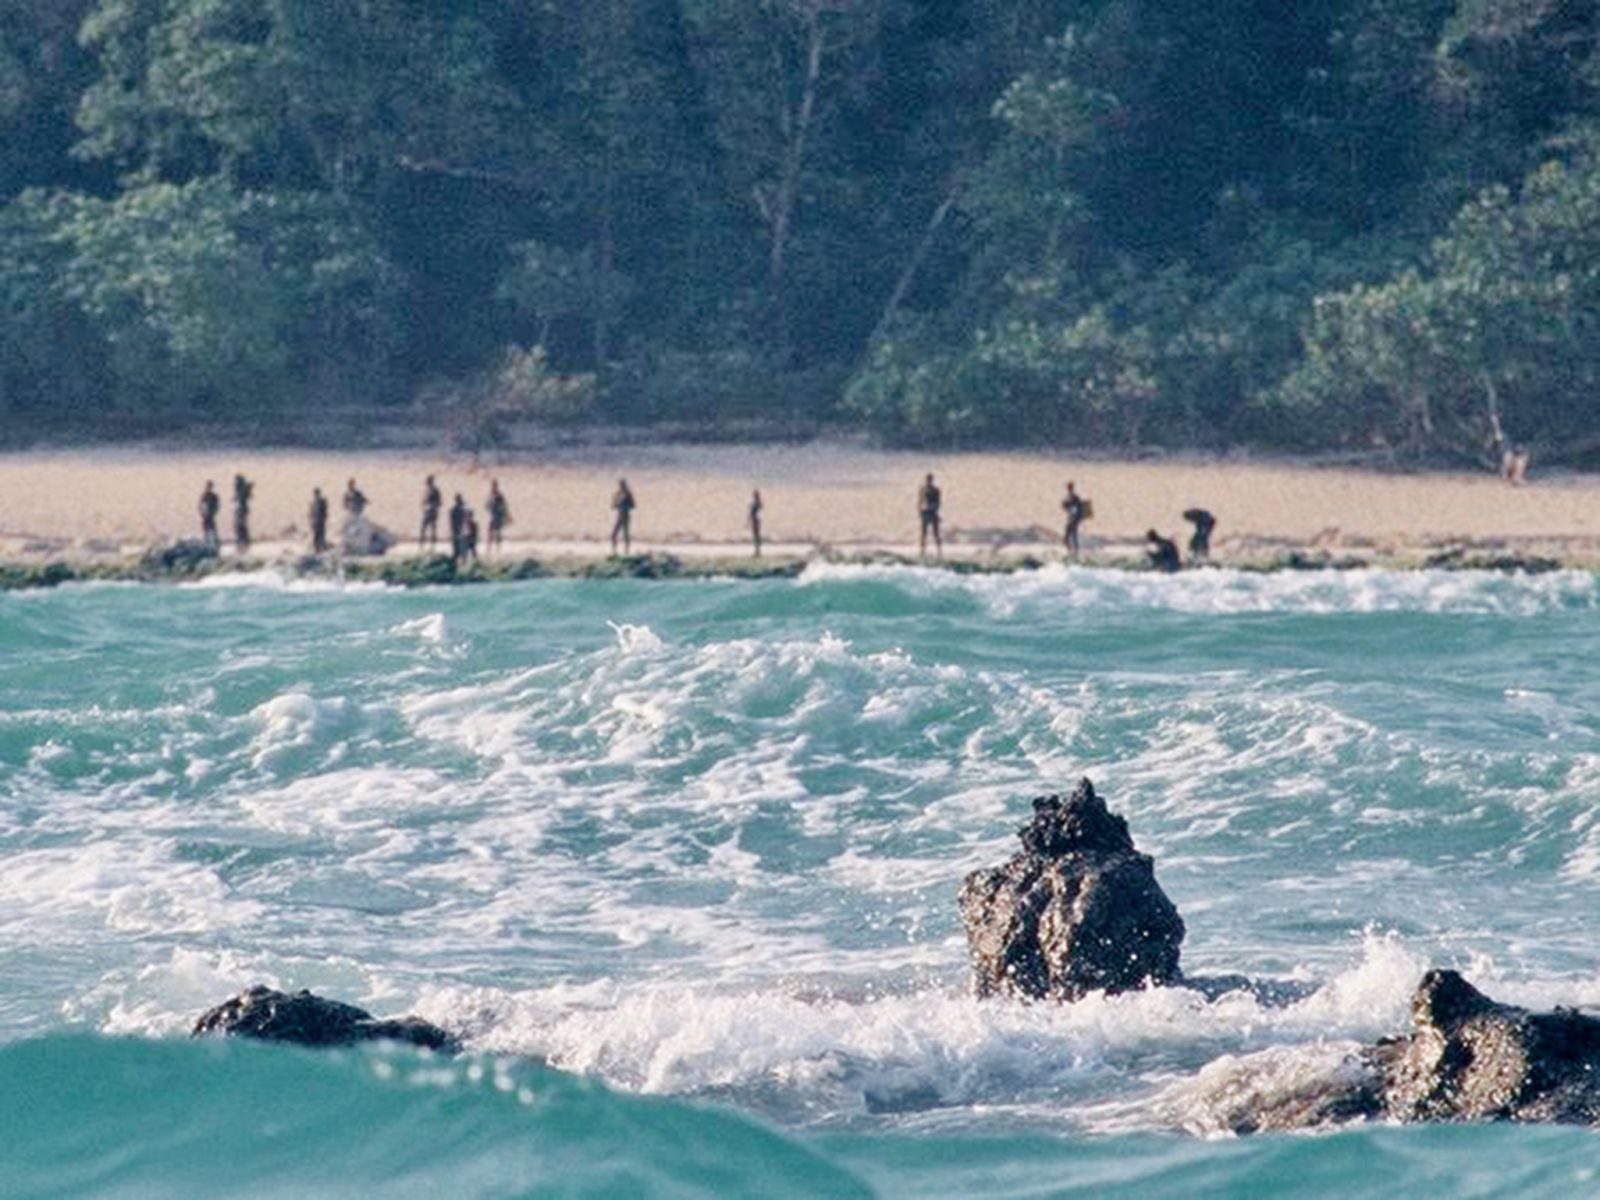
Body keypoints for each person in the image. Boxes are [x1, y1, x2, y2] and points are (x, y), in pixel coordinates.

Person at [1062, 482, 1091, 558]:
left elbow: (1076, 509)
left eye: (1069, 488)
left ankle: (1074, 551)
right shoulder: (1069, 496)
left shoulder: (1074, 497)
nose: (1068, 489)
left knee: (1071, 535)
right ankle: (1072, 550)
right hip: (1072, 518)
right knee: (1069, 535)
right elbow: (1069, 508)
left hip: (1074, 518)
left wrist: (1067, 506)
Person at [918, 472, 942, 560]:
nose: (929, 481)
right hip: (925, 513)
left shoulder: (936, 490)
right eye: (928, 479)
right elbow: (920, 501)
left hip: (933, 512)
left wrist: (933, 509)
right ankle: (922, 551)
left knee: (936, 533)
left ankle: (939, 551)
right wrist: (920, 511)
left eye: (930, 479)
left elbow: (938, 502)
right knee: (924, 533)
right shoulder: (923, 489)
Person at [610, 478, 636, 556]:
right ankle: (614, 551)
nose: (622, 486)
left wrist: (625, 505)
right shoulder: (618, 494)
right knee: (614, 534)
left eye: (623, 484)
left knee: (625, 534)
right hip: (620, 515)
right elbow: (613, 506)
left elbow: (633, 505)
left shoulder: (628, 494)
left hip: (626, 515)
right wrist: (616, 503)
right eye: (621, 485)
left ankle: (626, 551)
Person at [486, 480, 511, 552]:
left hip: (498, 517)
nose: (493, 487)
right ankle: (489, 549)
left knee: (497, 533)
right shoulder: (491, 494)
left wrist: (507, 516)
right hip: (493, 516)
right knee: (490, 532)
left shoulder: (499, 495)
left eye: (494, 485)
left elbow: (504, 506)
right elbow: (487, 505)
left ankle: (497, 548)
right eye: (492, 485)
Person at [232, 474, 253, 553]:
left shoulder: (241, 489)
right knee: (241, 526)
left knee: (240, 526)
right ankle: (243, 542)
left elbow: (242, 498)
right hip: (242, 510)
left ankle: (242, 542)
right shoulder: (242, 489)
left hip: (241, 510)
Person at [420, 475, 442, 547]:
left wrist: (433, 506)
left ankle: (433, 544)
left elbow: (439, 502)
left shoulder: (435, 490)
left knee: (432, 528)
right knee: (423, 528)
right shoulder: (426, 490)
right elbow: (423, 501)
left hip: (432, 511)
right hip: (426, 511)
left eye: (428, 481)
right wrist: (423, 507)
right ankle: (422, 544)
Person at [198, 481, 220, 550]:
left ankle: (215, 544)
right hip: (206, 516)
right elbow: (200, 506)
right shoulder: (204, 495)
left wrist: (213, 513)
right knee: (207, 531)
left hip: (210, 515)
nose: (208, 488)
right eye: (208, 486)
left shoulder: (213, 496)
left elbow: (217, 506)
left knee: (212, 530)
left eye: (209, 486)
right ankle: (208, 544)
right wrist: (202, 513)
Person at [448, 493, 469, 561]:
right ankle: (457, 562)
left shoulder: (458, 509)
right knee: (459, 549)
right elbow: (453, 520)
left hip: (460, 531)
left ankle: (458, 561)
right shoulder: (457, 509)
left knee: (460, 549)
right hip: (458, 531)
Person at [309, 487, 329, 554]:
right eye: (315, 493)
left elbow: (324, 511)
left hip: (320, 522)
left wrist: (323, 518)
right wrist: (311, 521)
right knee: (316, 537)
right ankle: (318, 550)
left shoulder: (321, 501)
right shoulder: (313, 502)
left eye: (317, 493)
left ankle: (322, 550)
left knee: (321, 536)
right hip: (316, 522)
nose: (316, 494)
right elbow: (311, 513)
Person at [749, 489, 764, 558]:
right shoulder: (756, 502)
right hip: (755, 520)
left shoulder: (757, 503)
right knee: (756, 535)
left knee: (756, 535)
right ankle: (757, 551)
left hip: (756, 520)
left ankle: (758, 551)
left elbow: (757, 510)